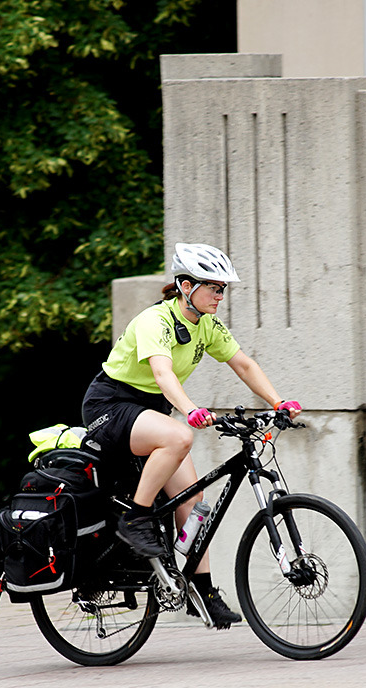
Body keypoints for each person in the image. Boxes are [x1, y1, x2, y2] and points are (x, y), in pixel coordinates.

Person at [81, 242, 302, 627]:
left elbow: (244, 365)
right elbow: (163, 374)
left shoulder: (207, 327)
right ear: (185, 286)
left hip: (149, 412)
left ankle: (202, 591)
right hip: (110, 407)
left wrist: (279, 401)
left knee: (193, 500)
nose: (220, 295)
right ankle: (135, 518)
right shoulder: (156, 321)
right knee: (180, 436)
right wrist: (191, 410)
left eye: (222, 288)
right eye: (212, 286)